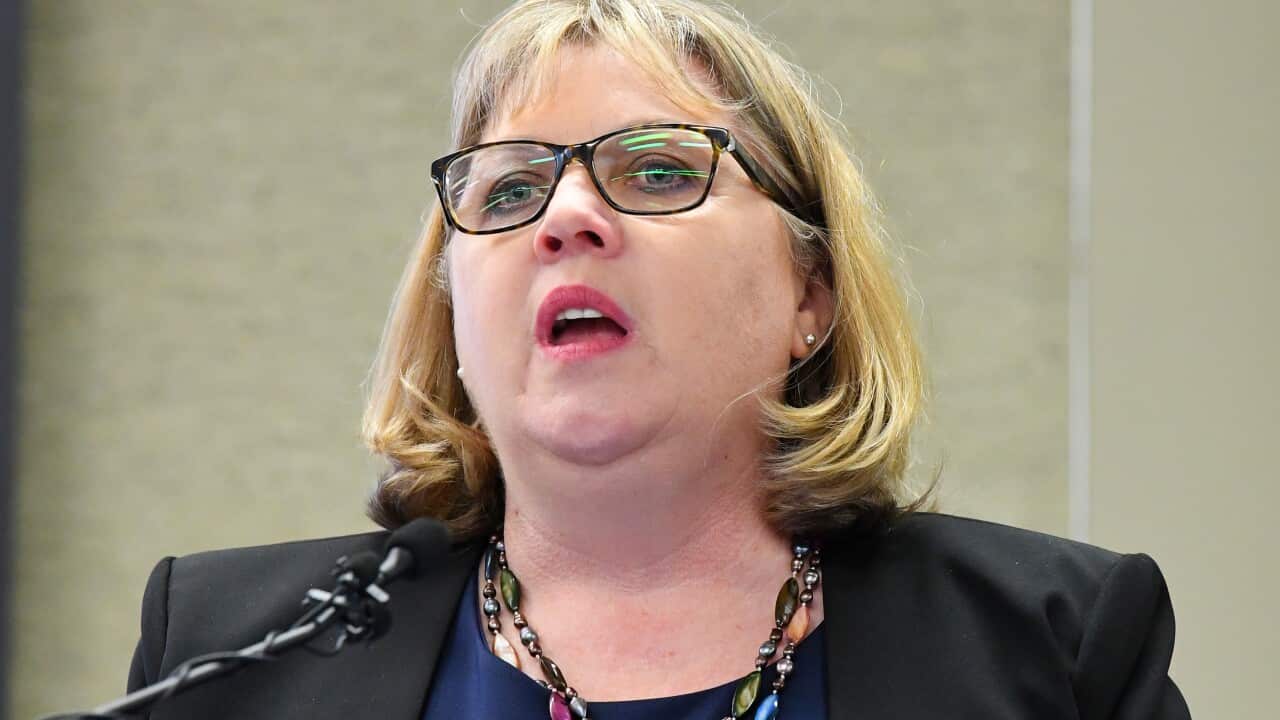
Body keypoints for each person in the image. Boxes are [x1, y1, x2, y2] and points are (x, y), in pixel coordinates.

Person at [125, 1, 1192, 718]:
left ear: (810, 295)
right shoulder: (227, 655)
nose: (565, 218)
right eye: (509, 188)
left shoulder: (1053, 646)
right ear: (451, 308)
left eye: (658, 171)